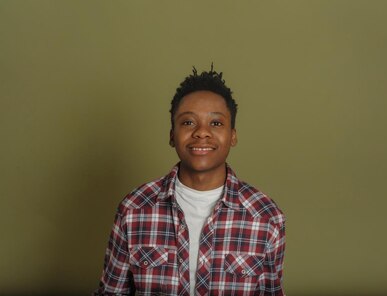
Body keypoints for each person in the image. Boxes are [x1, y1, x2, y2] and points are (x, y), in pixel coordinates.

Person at [95, 66, 286, 295]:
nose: (201, 132)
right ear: (171, 135)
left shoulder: (266, 217)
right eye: (188, 122)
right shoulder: (134, 209)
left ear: (233, 135)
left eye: (216, 123)